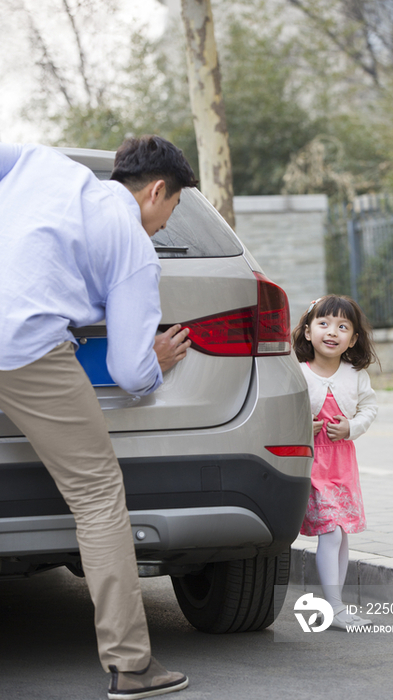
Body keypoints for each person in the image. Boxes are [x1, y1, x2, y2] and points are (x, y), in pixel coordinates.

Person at [0, 135, 197, 697]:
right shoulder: (134, 248)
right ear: (157, 191)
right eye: (172, 211)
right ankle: (132, 666)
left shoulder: (40, 162)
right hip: (25, 349)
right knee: (97, 497)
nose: (163, 226)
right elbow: (130, 373)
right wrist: (155, 360)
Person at [292, 294, 379, 629]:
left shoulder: (355, 375)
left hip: (342, 463)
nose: (332, 331)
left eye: (343, 326)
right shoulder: (298, 372)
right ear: (309, 331)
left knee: (341, 534)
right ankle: (336, 608)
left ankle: (336, 604)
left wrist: (351, 427)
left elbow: (369, 408)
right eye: (324, 323)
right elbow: (284, 409)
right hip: (313, 463)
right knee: (330, 532)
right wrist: (303, 426)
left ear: (353, 339)